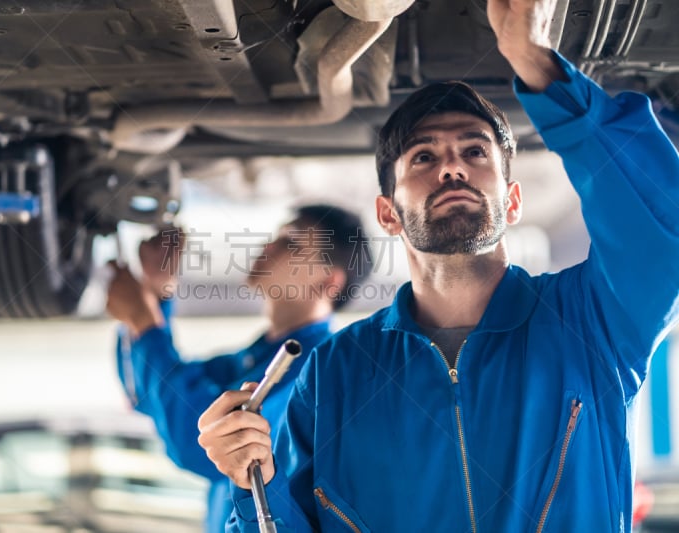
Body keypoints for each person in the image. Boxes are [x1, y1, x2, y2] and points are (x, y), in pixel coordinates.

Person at [196, 0, 679, 531]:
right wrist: (249, 484)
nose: (452, 167)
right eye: (423, 157)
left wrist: (537, 65)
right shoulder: (335, 372)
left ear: (512, 201)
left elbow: (662, 230)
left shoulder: (592, 323)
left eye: (476, 152)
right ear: (388, 213)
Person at [105, 204, 372, 533]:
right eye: (277, 237)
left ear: (329, 281)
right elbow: (149, 396)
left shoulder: (316, 373)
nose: (269, 246)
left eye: (291, 243)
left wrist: (145, 323)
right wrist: (157, 293)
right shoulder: (256, 358)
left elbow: (198, 443)